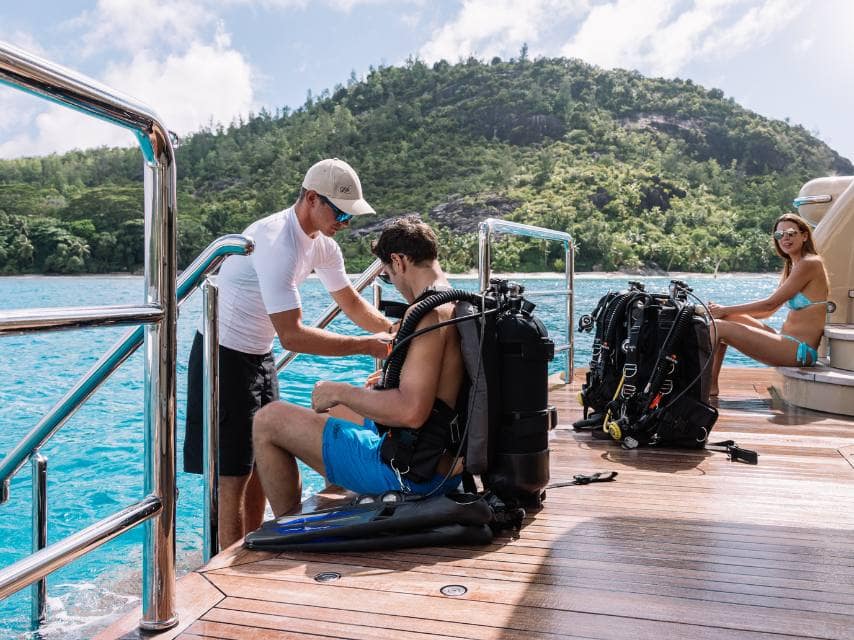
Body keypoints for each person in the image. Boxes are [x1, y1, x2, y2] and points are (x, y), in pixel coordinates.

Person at [184, 158, 393, 548]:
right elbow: (293, 337)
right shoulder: (277, 242)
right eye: (341, 214)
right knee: (231, 476)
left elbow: (349, 302)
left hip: (259, 355)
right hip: (223, 357)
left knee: (262, 463)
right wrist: (366, 345)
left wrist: (392, 327)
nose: (345, 225)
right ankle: (221, 564)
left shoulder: (324, 246)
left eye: (351, 218)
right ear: (312, 199)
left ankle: (251, 547)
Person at [253, 215, 465, 517]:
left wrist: (339, 390)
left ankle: (286, 533)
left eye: (388, 275)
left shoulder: (426, 314)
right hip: (444, 463)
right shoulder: (455, 303)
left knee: (269, 419)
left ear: (399, 261)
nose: (392, 283)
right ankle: (347, 485)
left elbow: (412, 412)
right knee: (337, 412)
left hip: (411, 474)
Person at [708, 212, 829, 396]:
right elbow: (768, 312)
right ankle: (711, 385)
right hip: (785, 342)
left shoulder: (810, 263)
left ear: (804, 235)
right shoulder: (792, 266)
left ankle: (699, 386)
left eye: (791, 233)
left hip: (799, 351)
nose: (785, 238)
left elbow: (768, 305)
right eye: (780, 235)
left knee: (718, 326)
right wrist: (725, 312)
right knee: (725, 318)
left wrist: (724, 309)